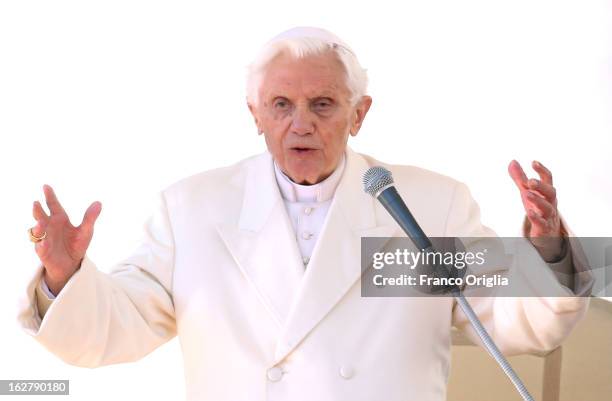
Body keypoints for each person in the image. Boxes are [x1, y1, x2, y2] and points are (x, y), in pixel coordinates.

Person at [19, 27, 593, 401]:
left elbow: (515, 321)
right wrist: (65, 278)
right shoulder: (193, 208)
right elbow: (120, 327)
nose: (301, 124)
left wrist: (547, 250)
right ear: (255, 114)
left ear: (358, 113)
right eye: (281, 105)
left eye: (323, 105)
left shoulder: (425, 205)